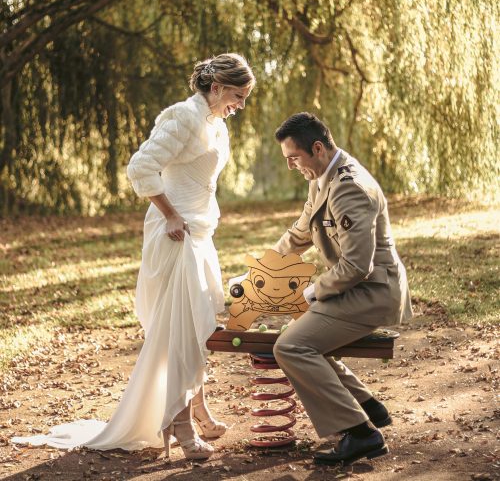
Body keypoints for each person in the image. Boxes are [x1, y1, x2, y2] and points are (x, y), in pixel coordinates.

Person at [12, 53, 255, 461]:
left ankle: (199, 407)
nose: (240, 105)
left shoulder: (215, 123)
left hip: (200, 233)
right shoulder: (182, 117)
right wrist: (172, 215)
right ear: (215, 88)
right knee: (178, 329)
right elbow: (140, 168)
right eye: (236, 95)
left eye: (244, 98)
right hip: (176, 234)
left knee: (197, 322)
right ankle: (179, 426)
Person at [271, 112, 412, 466]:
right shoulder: (322, 175)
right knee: (305, 336)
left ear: (317, 148)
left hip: (374, 292)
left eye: (293, 158)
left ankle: (361, 433)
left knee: (290, 346)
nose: (291, 166)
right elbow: (300, 232)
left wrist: (314, 291)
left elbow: (356, 265)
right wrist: (261, 269)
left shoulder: (348, 185)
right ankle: (367, 405)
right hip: (358, 288)